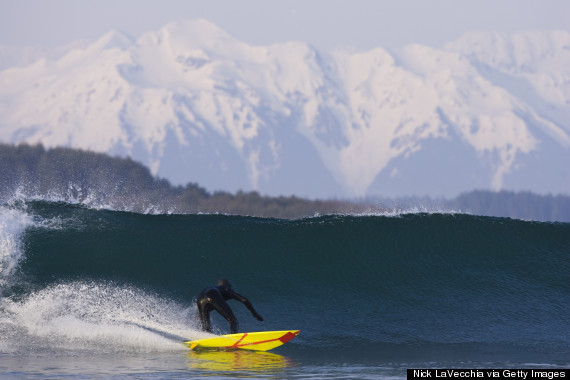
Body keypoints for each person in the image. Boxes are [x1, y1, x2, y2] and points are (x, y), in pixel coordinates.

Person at [197, 278, 263, 334]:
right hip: (213, 295)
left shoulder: (213, 287)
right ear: (227, 285)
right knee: (233, 320)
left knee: (206, 329)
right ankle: (234, 338)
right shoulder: (226, 288)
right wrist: (255, 314)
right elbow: (244, 300)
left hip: (200, 299)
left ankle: (205, 339)